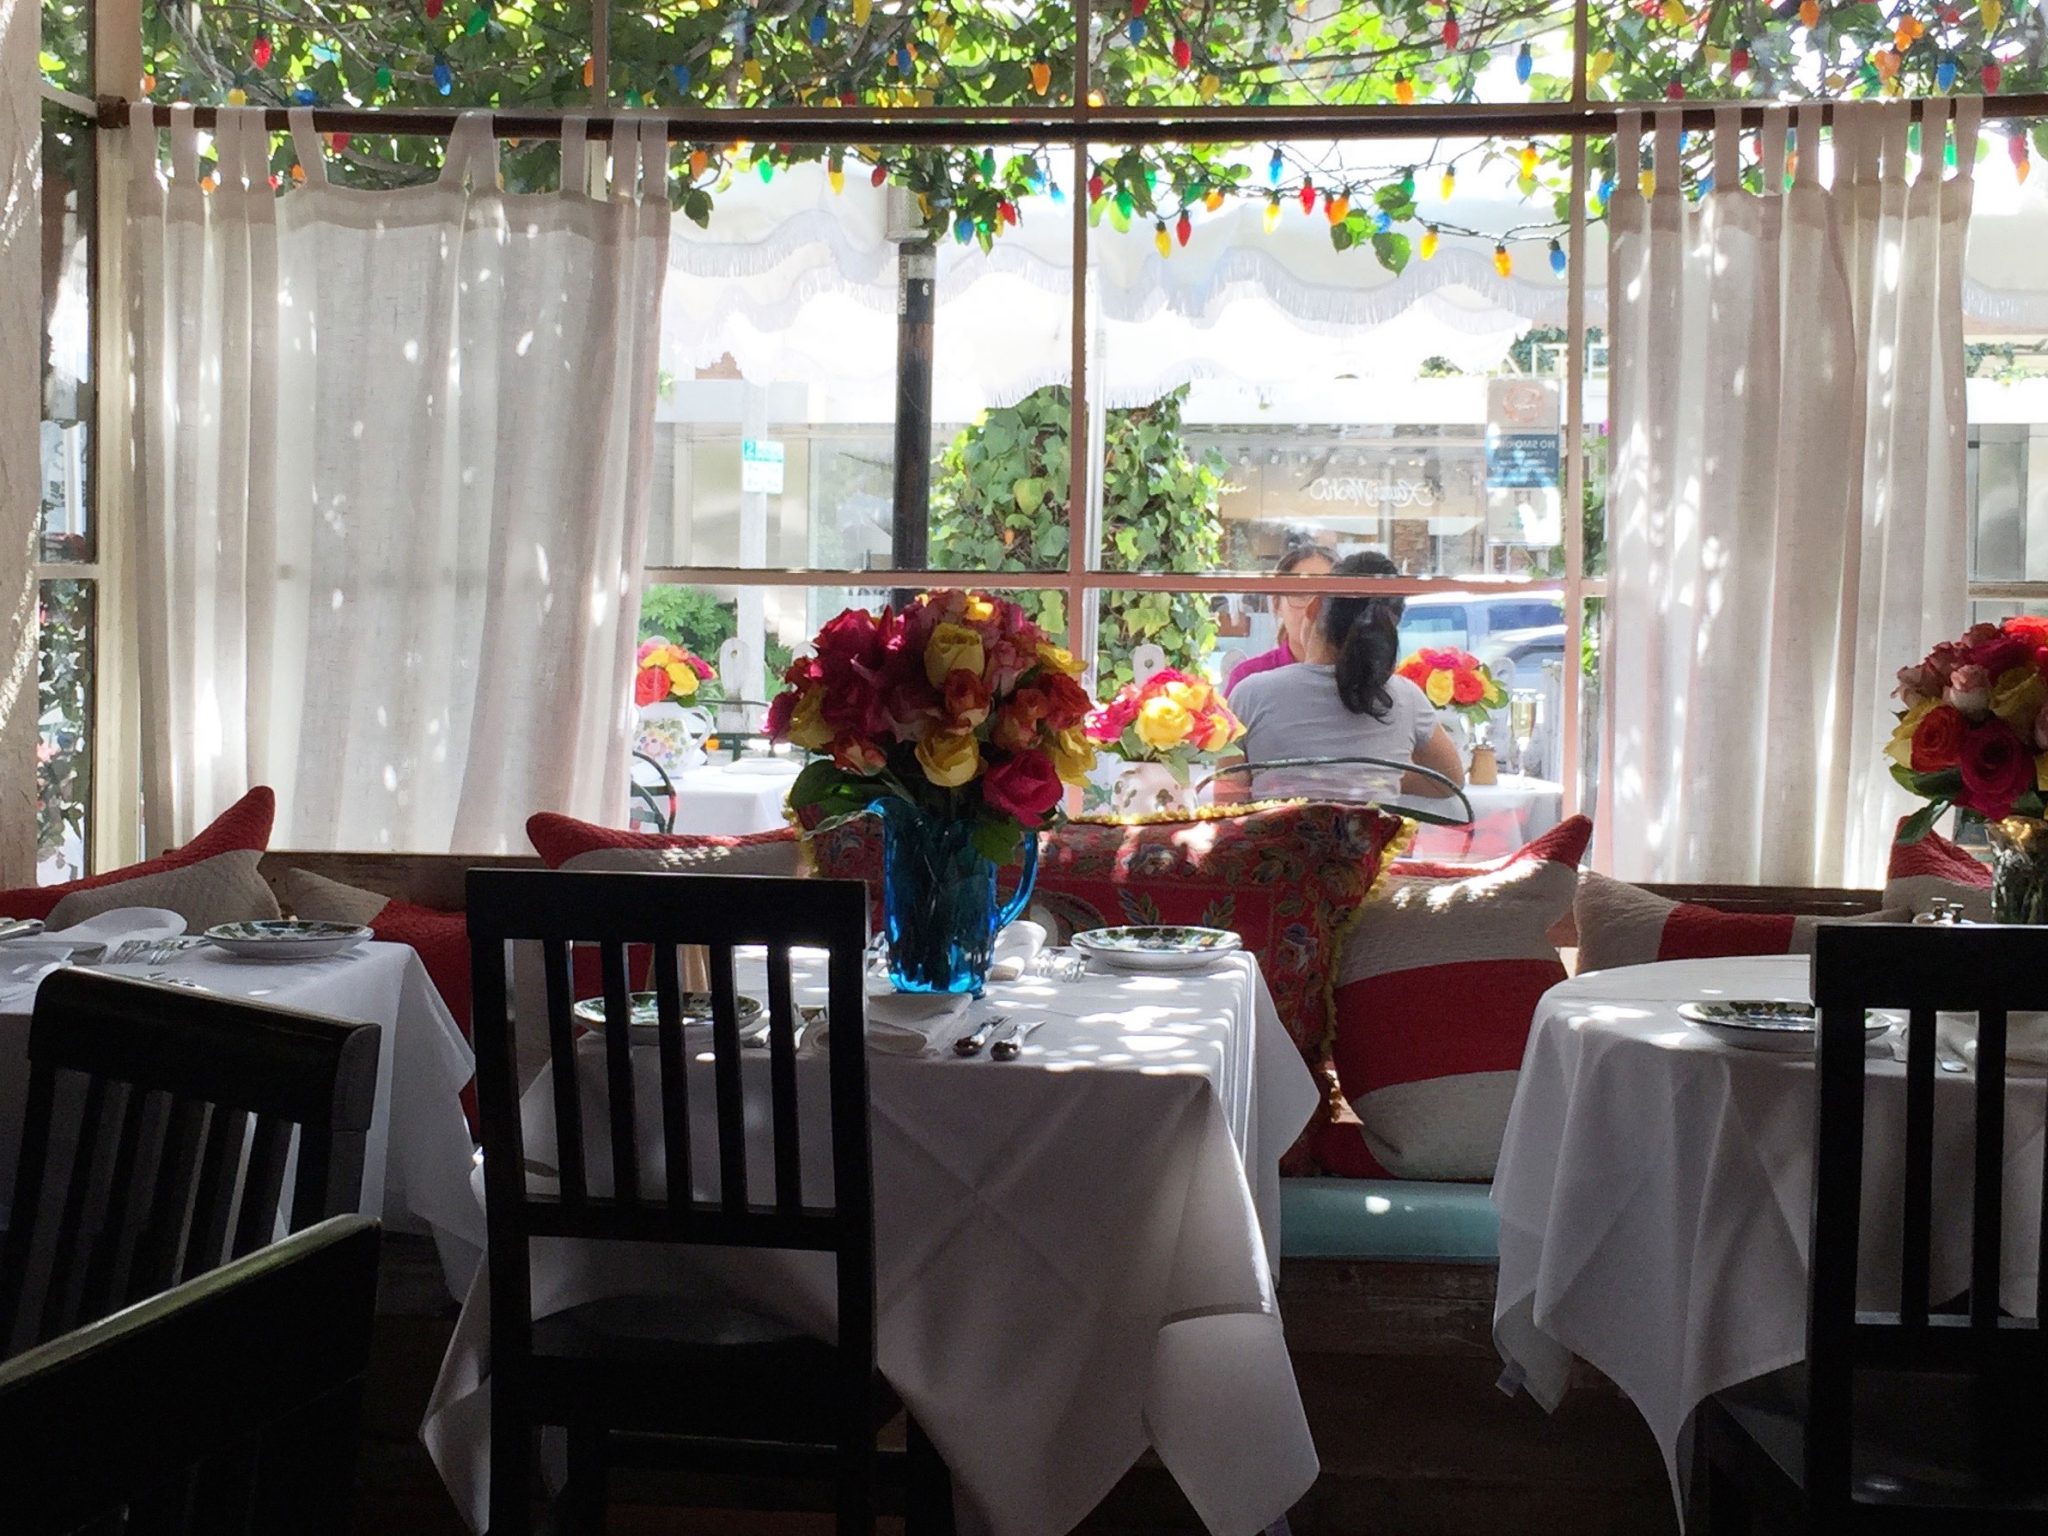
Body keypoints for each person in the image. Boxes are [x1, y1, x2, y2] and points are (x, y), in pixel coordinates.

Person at [1215, 550, 1465, 804]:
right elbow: (1449, 781)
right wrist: (1374, 777)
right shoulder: (1406, 697)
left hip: (1277, 843)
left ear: (1314, 608)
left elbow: (1226, 802)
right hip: (1376, 843)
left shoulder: (1250, 693)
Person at [1223, 542, 1336, 697]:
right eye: (1301, 594)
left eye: (1326, 595)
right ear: (1277, 604)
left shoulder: (1360, 676)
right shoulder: (1248, 679)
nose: (1313, 607)